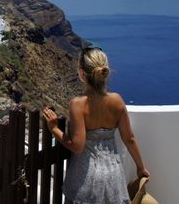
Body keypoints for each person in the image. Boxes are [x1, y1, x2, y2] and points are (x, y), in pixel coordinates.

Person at [43, 46, 150, 204]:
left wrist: (54, 129)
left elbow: (77, 146)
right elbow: (130, 139)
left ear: (81, 73)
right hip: (114, 177)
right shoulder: (117, 101)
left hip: (85, 180)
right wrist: (141, 167)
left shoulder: (78, 104)